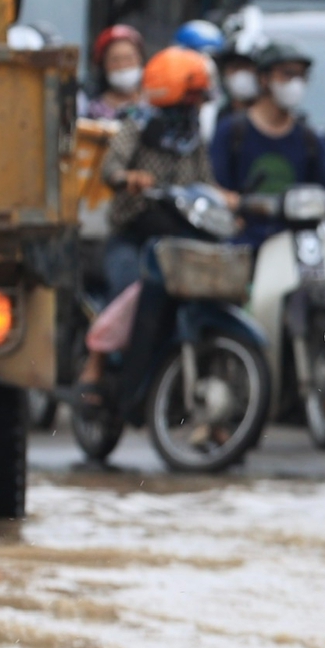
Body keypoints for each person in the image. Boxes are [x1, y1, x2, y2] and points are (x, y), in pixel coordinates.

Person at [78, 47, 236, 406]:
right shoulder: (137, 124)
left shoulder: (192, 134)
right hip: (134, 233)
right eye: (193, 95)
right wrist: (129, 177)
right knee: (127, 291)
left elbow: (205, 180)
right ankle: (96, 363)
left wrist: (227, 199)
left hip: (177, 235)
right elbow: (110, 168)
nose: (198, 104)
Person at [210, 39, 325, 249]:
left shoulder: (309, 138)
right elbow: (213, 188)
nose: (295, 83)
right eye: (288, 74)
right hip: (242, 245)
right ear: (264, 79)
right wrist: (232, 203)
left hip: (296, 248)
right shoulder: (232, 132)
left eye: (301, 76)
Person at [79, 24, 145, 121]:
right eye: (115, 60)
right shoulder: (91, 110)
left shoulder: (153, 106)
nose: (122, 66)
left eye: (129, 58)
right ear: (103, 65)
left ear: (140, 59)